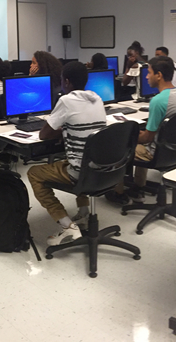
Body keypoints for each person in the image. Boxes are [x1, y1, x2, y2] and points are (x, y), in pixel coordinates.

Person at [26, 62, 107, 245]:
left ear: (67, 82)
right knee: (78, 158)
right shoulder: (97, 98)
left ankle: (67, 225)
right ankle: (84, 213)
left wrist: (62, 128)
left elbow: (44, 134)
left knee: (34, 173)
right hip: (101, 168)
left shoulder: (66, 101)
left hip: (81, 172)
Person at [107, 56, 176, 205]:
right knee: (144, 142)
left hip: (158, 154)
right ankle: (138, 188)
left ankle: (118, 192)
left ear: (158, 75)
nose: (146, 76)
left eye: (149, 72)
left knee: (120, 147)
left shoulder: (158, 101)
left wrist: (128, 136)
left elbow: (147, 138)